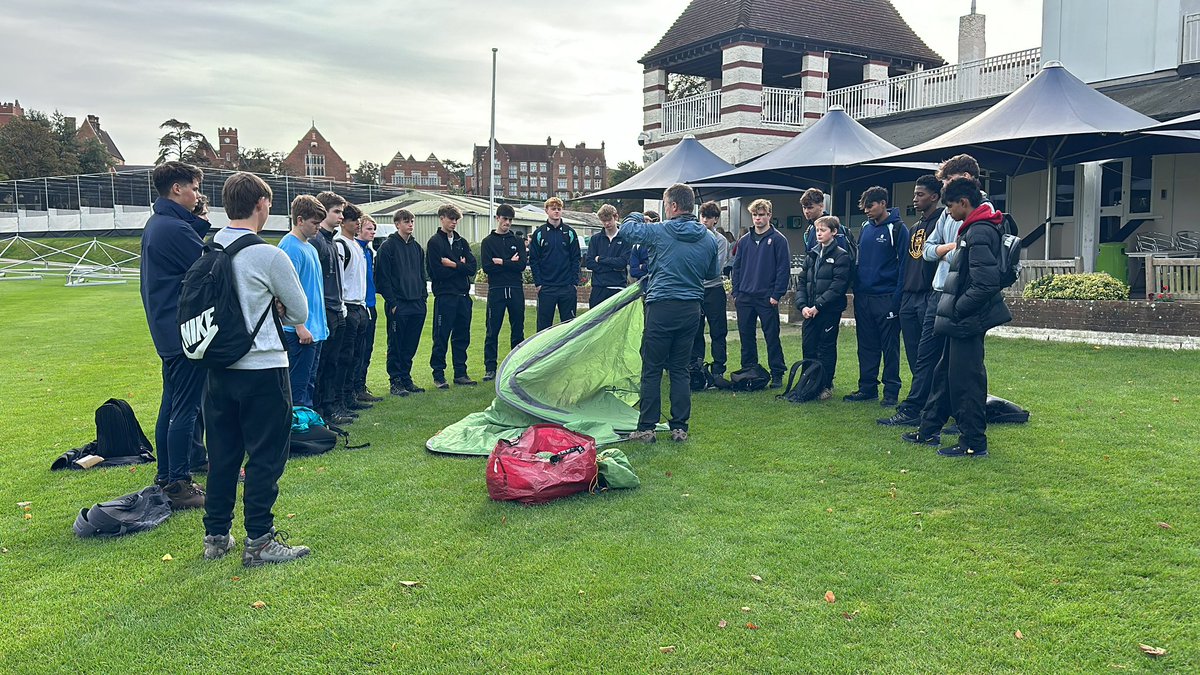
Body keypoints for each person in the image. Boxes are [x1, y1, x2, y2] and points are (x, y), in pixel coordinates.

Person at [201, 172, 311, 566]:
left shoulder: (209, 248)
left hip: (218, 367)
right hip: (262, 366)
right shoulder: (267, 255)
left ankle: (216, 535)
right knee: (265, 456)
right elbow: (300, 311)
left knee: (223, 454)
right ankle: (260, 540)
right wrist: (277, 306)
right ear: (262, 205)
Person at [904, 177, 1012, 457]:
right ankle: (929, 430)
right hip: (958, 319)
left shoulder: (979, 232)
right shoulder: (973, 227)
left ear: (964, 203)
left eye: (950, 206)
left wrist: (957, 309)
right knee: (943, 375)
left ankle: (973, 443)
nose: (948, 212)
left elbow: (985, 284)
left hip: (967, 320)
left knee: (967, 381)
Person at [619, 184, 718, 443]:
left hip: (662, 305)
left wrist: (638, 216)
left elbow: (627, 231)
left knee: (651, 368)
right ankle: (679, 427)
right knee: (680, 368)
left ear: (673, 206)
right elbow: (711, 273)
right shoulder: (707, 237)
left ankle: (647, 427)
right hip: (691, 309)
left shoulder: (660, 231)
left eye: (665, 204)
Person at [139, 161, 208, 509]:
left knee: (171, 404)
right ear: (177, 188)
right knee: (185, 407)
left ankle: (166, 475)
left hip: (167, 330)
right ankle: (178, 482)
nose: (198, 195)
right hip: (182, 331)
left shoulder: (160, 223)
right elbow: (209, 266)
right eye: (194, 188)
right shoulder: (173, 229)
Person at [880, 176, 952, 426]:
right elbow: (906, 265)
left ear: (934, 196)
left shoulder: (942, 223)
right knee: (914, 354)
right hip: (909, 298)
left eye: (920, 194)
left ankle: (927, 406)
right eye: (914, 194)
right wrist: (900, 299)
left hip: (929, 296)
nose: (915, 198)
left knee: (929, 357)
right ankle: (924, 402)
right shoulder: (915, 227)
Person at [844, 186, 908, 406]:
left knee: (889, 347)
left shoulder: (898, 229)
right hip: (864, 297)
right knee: (866, 345)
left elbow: (905, 268)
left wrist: (896, 301)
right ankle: (867, 388)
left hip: (887, 296)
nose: (867, 211)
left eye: (870, 206)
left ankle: (891, 392)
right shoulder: (865, 227)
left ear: (883, 203)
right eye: (864, 207)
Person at [731, 198, 790, 388]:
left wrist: (776, 294)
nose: (757, 218)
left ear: (769, 215)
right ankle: (749, 370)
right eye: (755, 215)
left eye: (761, 215)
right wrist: (736, 292)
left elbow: (783, 269)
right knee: (746, 336)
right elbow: (737, 267)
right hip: (745, 297)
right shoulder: (744, 240)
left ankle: (777, 373)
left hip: (767, 297)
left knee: (771, 337)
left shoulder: (779, 240)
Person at [277, 195, 328, 410]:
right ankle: (297, 434)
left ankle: (308, 427)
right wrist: (299, 326)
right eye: (314, 223)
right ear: (299, 220)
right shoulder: (289, 248)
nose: (318, 228)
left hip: (315, 329)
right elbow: (284, 291)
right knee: (297, 388)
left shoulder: (311, 247)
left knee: (309, 384)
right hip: (299, 333)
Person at [794, 216, 853, 400]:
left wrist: (818, 306)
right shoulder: (812, 254)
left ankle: (825, 385)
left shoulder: (841, 255)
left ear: (834, 232)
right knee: (808, 346)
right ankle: (809, 382)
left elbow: (838, 286)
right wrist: (803, 306)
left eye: (823, 230)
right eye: (817, 230)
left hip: (828, 311)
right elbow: (802, 282)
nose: (819, 233)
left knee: (826, 348)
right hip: (809, 311)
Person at [375, 209, 427, 396]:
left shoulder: (417, 248)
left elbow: (422, 274)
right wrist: (392, 302)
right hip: (399, 304)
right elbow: (382, 278)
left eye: (412, 221)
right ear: (397, 224)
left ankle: (406, 377)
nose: (410, 224)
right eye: (406, 221)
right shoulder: (387, 247)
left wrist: (423, 298)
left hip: (417, 304)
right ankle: (395, 381)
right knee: (396, 343)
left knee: (411, 344)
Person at [426, 204, 478, 388]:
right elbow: (436, 272)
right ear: (442, 218)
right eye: (451, 218)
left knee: (462, 336)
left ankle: (460, 373)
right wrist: (460, 267)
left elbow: (472, 268)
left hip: (463, 296)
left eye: (456, 219)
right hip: (445, 296)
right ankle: (438, 375)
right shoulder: (434, 242)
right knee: (441, 337)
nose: (454, 222)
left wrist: (453, 265)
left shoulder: (461, 242)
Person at [310, 191, 350, 424]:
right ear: (323, 211)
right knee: (322, 363)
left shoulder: (332, 242)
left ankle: (331, 405)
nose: (341, 217)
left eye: (341, 212)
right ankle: (321, 410)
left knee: (334, 362)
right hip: (324, 309)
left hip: (337, 308)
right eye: (336, 211)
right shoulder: (317, 242)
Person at [481, 204, 527, 380]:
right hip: (496, 290)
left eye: (510, 220)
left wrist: (501, 262)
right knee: (492, 330)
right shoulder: (488, 242)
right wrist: (510, 263)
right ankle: (490, 368)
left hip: (515, 289)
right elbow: (487, 268)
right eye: (504, 219)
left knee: (518, 329)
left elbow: (521, 265)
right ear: (497, 218)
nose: (507, 222)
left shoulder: (517, 241)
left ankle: (516, 367)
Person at [333, 203, 371, 416]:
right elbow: (339, 279)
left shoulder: (357, 245)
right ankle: (338, 401)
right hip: (347, 304)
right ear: (344, 222)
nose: (357, 223)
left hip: (360, 305)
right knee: (343, 357)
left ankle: (349, 396)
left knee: (356, 354)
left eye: (358, 219)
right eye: (353, 219)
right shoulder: (340, 245)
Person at [691, 200, 729, 385]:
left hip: (713, 289)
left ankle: (718, 369)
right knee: (695, 330)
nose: (705, 220)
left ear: (716, 220)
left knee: (718, 330)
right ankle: (696, 367)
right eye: (703, 216)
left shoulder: (720, 240)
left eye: (709, 217)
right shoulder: (694, 237)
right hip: (696, 290)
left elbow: (716, 267)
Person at [528, 197, 581, 331]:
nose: (556, 212)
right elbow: (534, 260)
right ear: (546, 211)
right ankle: (543, 352)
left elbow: (576, 258)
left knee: (569, 327)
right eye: (553, 209)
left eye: (559, 209)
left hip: (566, 287)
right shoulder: (539, 233)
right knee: (543, 328)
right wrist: (539, 283)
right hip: (546, 288)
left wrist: (574, 282)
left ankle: (569, 352)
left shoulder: (570, 233)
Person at [352, 215, 383, 403]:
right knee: (356, 349)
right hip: (359, 305)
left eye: (374, 230)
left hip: (371, 304)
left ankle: (360, 384)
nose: (372, 233)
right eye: (368, 229)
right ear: (359, 229)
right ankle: (353, 388)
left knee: (367, 348)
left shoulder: (369, 252)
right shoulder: (353, 249)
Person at [584, 204, 630, 308]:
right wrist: (612, 267)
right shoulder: (595, 239)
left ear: (616, 217)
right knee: (596, 322)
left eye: (609, 220)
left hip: (617, 287)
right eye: (603, 221)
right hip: (598, 288)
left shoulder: (625, 239)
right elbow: (589, 263)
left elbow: (622, 263)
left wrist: (600, 259)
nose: (607, 223)